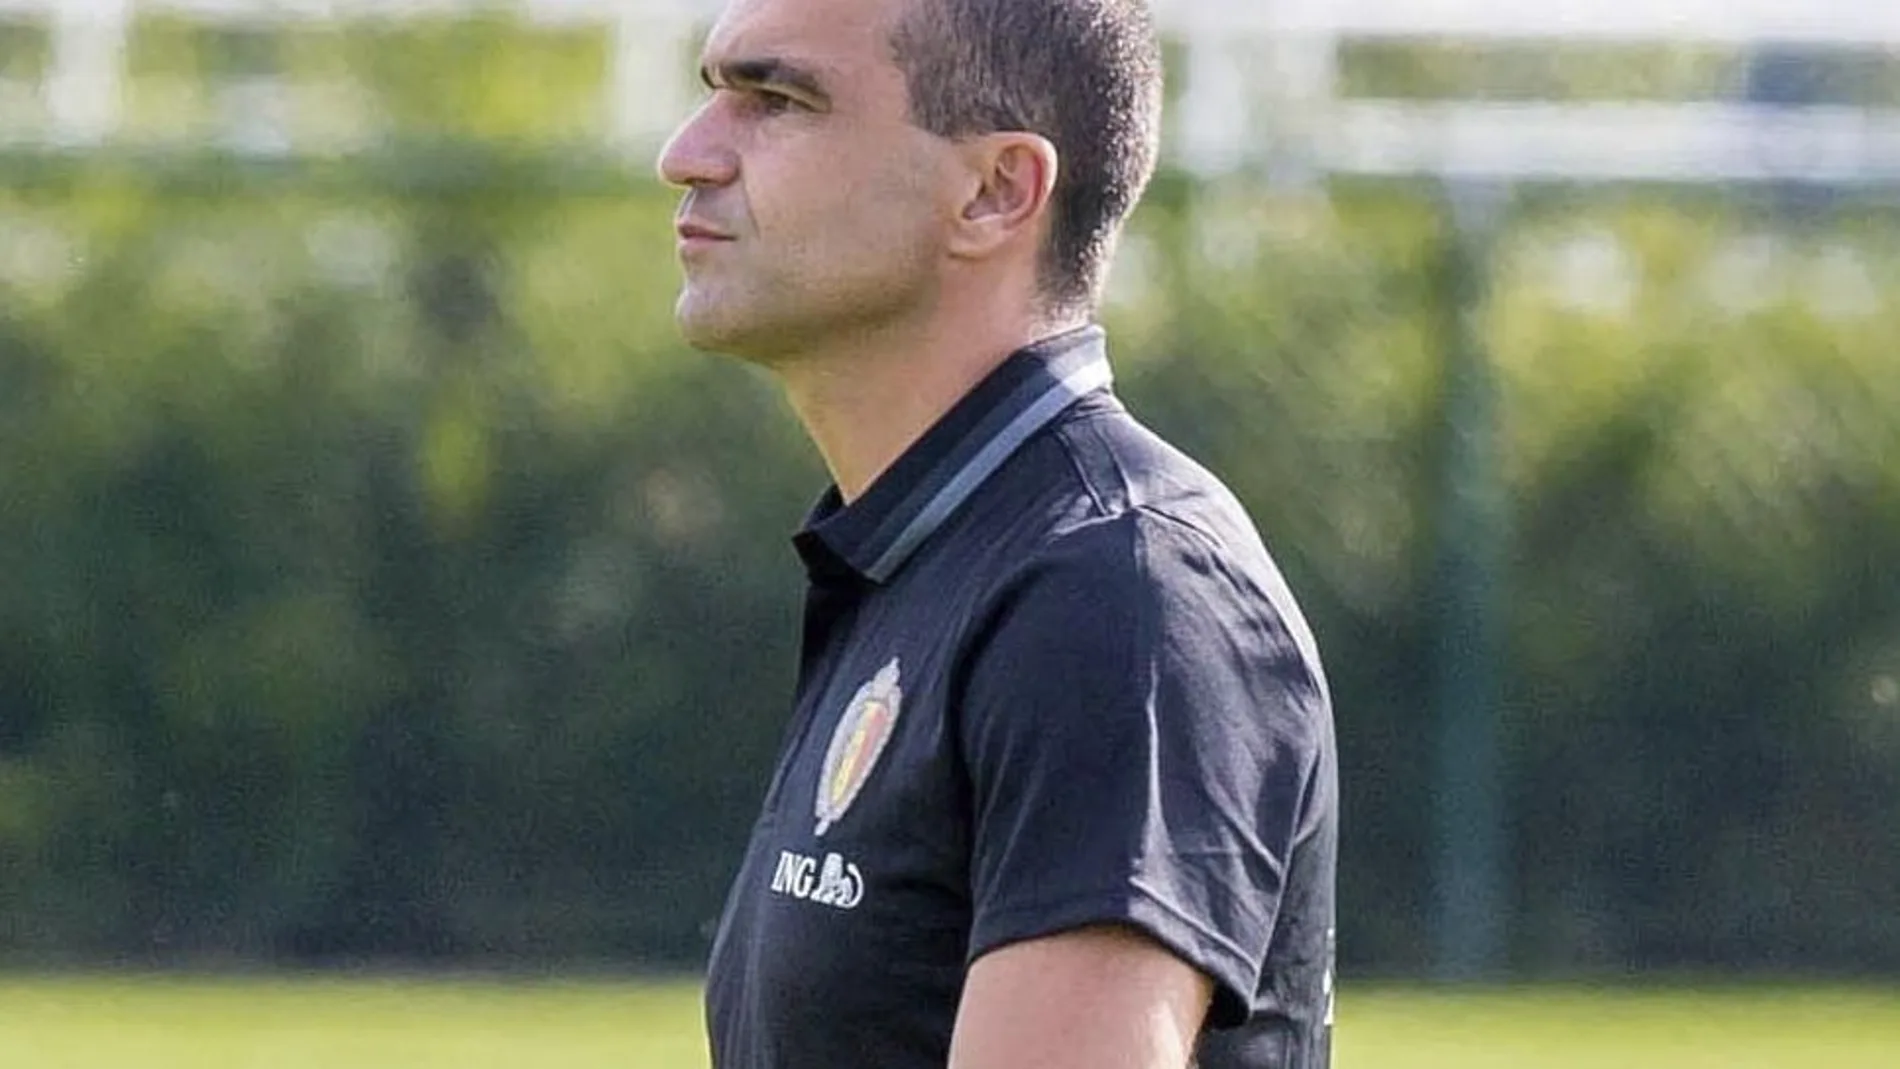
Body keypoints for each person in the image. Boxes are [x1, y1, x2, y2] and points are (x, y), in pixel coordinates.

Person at [656, 0, 1336, 1065]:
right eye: (714, 96)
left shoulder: (1119, 592)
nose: (685, 155)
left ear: (993, 190)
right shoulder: (929, 557)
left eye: (776, 100)